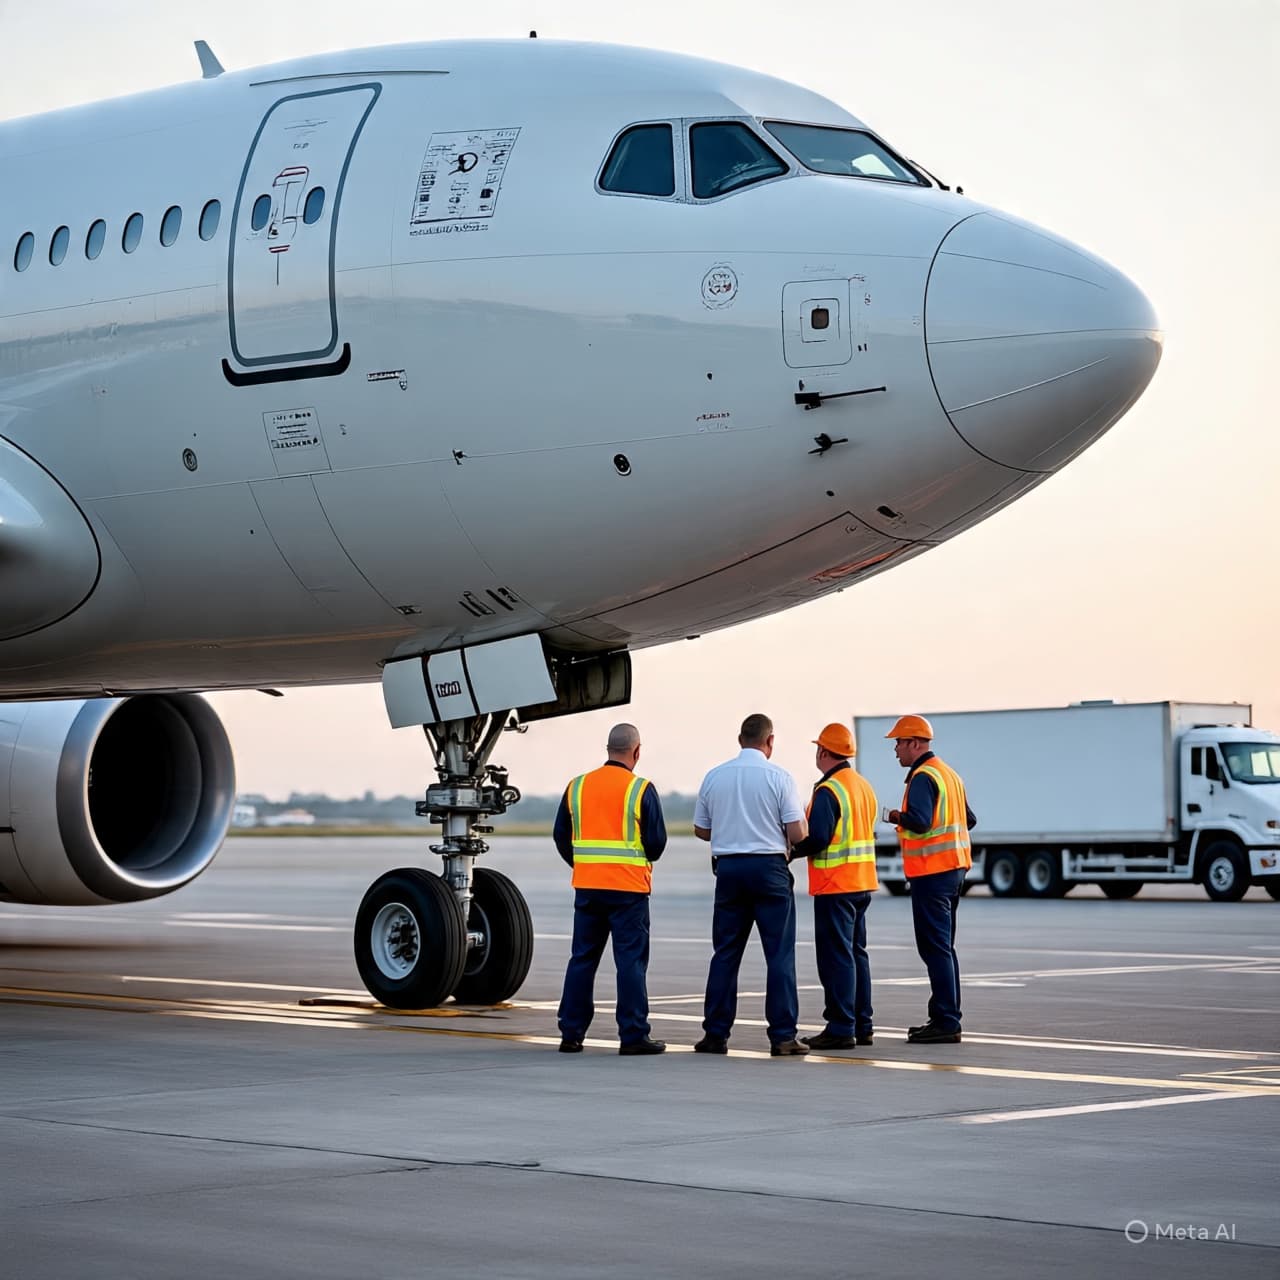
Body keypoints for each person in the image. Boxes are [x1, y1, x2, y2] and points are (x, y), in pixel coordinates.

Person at [692, 713, 810, 1057]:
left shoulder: (715, 776)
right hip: (769, 869)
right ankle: (783, 1036)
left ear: (740, 738)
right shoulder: (780, 777)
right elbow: (797, 832)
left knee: (725, 953)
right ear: (769, 741)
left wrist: (730, 829)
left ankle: (715, 1035)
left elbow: (701, 830)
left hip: (729, 870)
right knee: (779, 955)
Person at [554, 723, 667, 1055]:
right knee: (630, 962)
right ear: (637, 751)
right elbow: (656, 844)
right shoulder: (640, 789)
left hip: (588, 887)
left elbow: (561, 836)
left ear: (608, 749)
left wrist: (585, 865)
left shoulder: (577, 786)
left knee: (582, 958)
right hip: (628, 889)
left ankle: (571, 1034)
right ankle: (633, 1035)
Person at [885, 715, 976, 1045]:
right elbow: (969, 819)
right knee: (944, 947)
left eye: (898, 742)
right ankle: (945, 1016)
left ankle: (946, 1021)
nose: (896, 749)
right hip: (954, 869)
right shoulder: (949, 774)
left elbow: (921, 822)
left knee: (934, 948)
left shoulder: (923, 776)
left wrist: (895, 816)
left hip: (932, 872)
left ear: (914, 743)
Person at [789, 722, 878, 1050]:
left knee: (836, 957)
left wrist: (790, 851)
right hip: (861, 882)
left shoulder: (829, 790)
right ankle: (862, 1024)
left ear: (824, 752)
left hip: (836, 884)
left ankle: (841, 1027)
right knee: (856, 954)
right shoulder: (862, 786)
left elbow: (819, 838)